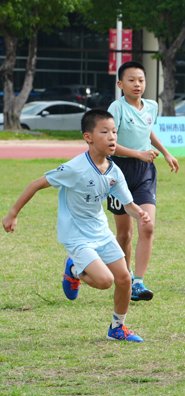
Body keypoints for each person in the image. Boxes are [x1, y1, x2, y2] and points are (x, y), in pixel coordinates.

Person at [2, 110, 150, 342]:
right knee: (104, 281)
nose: (112, 137)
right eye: (104, 132)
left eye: (114, 132)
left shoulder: (114, 172)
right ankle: (73, 269)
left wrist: (139, 212)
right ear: (88, 137)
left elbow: (128, 204)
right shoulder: (74, 168)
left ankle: (117, 328)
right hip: (76, 236)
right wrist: (12, 214)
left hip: (101, 232)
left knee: (123, 279)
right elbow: (36, 184)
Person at [107, 61, 179, 301]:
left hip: (146, 171)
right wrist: (138, 153)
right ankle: (124, 278)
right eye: (131, 80)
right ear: (120, 84)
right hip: (119, 172)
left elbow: (147, 131)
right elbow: (110, 145)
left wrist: (166, 152)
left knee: (147, 226)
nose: (137, 84)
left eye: (141, 80)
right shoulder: (116, 108)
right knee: (125, 234)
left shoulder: (151, 106)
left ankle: (138, 282)